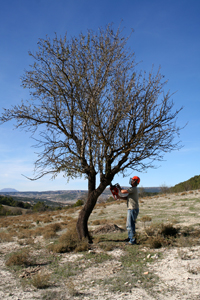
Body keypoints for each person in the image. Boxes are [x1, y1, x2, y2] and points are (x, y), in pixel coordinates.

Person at [118, 176, 140, 245]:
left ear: (135, 182)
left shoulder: (133, 189)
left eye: (133, 180)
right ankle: (130, 237)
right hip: (131, 209)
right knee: (129, 225)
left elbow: (123, 191)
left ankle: (132, 240)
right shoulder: (133, 189)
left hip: (132, 209)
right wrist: (120, 197)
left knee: (130, 225)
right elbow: (127, 198)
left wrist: (119, 188)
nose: (131, 181)